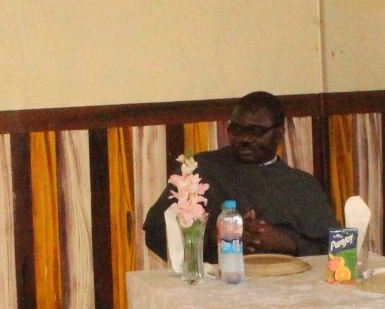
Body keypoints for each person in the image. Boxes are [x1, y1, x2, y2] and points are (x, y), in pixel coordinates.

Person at [142, 91, 335, 260]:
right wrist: (217, 234)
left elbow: (336, 249)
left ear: (279, 134)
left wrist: (288, 244)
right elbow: (155, 231)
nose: (244, 139)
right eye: (236, 130)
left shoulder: (302, 185)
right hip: (216, 288)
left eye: (256, 131)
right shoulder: (200, 170)